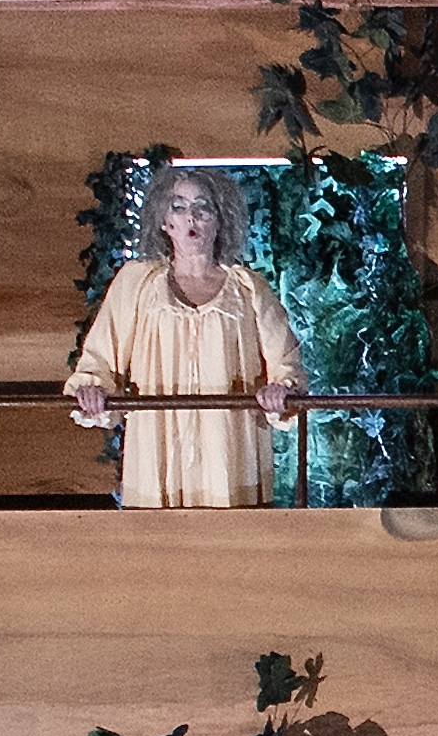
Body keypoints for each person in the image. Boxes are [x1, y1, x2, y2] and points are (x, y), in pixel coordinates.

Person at [68, 165, 307, 507]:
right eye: (178, 207)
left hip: (229, 453)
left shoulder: (248, 288)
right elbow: (101, 356)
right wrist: (93, 388)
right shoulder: (137, 282)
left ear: (220, 218)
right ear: (165, 221)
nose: (190, 217)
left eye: (202, 207)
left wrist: (280, 390)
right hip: (157, 450)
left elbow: (285, 361)